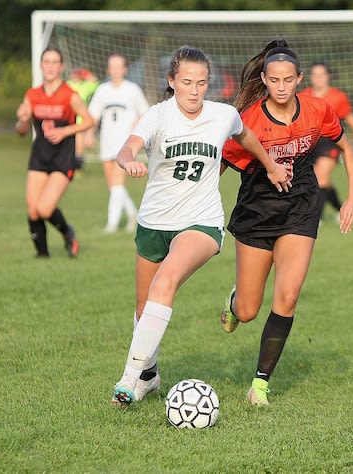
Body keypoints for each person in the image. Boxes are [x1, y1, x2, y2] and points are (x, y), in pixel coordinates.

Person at [110, 45, 290, 407]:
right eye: (187, 82)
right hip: (154, 222)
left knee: (166, 282)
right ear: (172, 81)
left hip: (201, 223)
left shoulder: (222, 115)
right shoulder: (158, 116)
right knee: (145, 308)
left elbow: (245, 136)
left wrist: (270, 165)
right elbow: (126, 148)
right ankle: (148, 375)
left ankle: (128, 379)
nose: (194, 90)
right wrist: (128, 162)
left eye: (202, 83)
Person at [220, 40, 353, 406]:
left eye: (289, 80)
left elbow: (346, 147)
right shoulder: (247, 121)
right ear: (264, 80)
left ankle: (260, 385)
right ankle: (235, 303)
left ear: (299, 78)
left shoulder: (318, 110)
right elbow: (221, 164)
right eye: (274, 80)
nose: (282, 87)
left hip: (300, 208)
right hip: (257, 212)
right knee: (249, 310)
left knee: (288, 295)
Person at [16, 47, 94, 258]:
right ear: (41, 65)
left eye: (54, 62)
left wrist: (65, 131)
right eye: (46, 62)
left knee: (44, 208)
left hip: (63, 157)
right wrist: (23, 119)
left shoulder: (70, 95)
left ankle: (68, 233)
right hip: (40, 156)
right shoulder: (32, 95)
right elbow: (22, 132)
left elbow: (89, 121)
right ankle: (42, 256)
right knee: (33, 210)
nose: (50, 66)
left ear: (61, 67)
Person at [299, 62, 353, 224]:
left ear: (328, 76)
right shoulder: (303, 96)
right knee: (322, 180)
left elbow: (350, 119)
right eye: (315, 75)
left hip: (330, 142)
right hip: (309, 143)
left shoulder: (338, 97)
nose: (318, 78)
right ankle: (340, 209)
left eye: (321, 74)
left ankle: (316, 217)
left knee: (320, 177)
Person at [88, 53, 150, 233]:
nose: (115, 70)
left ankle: (112, 224)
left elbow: (145, 112)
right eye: (112, 66)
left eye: (119, 66)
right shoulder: (102, 90)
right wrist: (88, 133)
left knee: (116, 184)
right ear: (108, 69)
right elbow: (94, 115)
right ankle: (132, 214)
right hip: (107, 141)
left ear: (125, 69)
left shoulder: (132, 89)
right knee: (114, 186)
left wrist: (137, 121)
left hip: (125, 144)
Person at [67, 68, 99, 170]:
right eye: (74, 74)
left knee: (79, 142)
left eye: (78, 74)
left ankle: (78, 165)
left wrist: (85, 73)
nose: (75, 76)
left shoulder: (86, 86)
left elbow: (95, 81)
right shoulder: (67, 85)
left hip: (80, 119)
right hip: (68, 118)